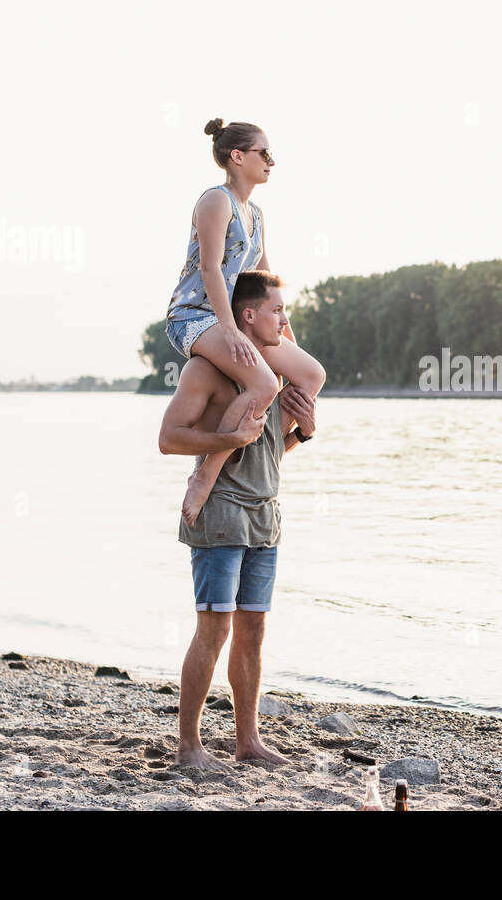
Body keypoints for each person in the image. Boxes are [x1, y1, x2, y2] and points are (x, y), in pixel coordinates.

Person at [158, 271, 319, 768]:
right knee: (214, 630)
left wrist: (302, 433)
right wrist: (225, 441)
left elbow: (269, 452)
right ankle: (189, 746)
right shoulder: (204, 370)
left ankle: (248, 742)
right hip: (221, 514)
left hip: (265, 516)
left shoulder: (274, 377)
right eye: (277, 311)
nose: (285, 322)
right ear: (247, 315)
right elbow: (169, 438)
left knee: (253, 633)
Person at [165, 117, 326, 527]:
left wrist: (285, 334)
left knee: (311, 374)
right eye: (263, 153)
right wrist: (230, 329)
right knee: (265, 383)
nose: (272, 161)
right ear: (237, 157)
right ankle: (205, 476)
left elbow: (264, 280)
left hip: (235, 321)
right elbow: (209, 269)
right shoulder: (215, 202)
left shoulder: (255, 212)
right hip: (194, 317)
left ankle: (273, 451)